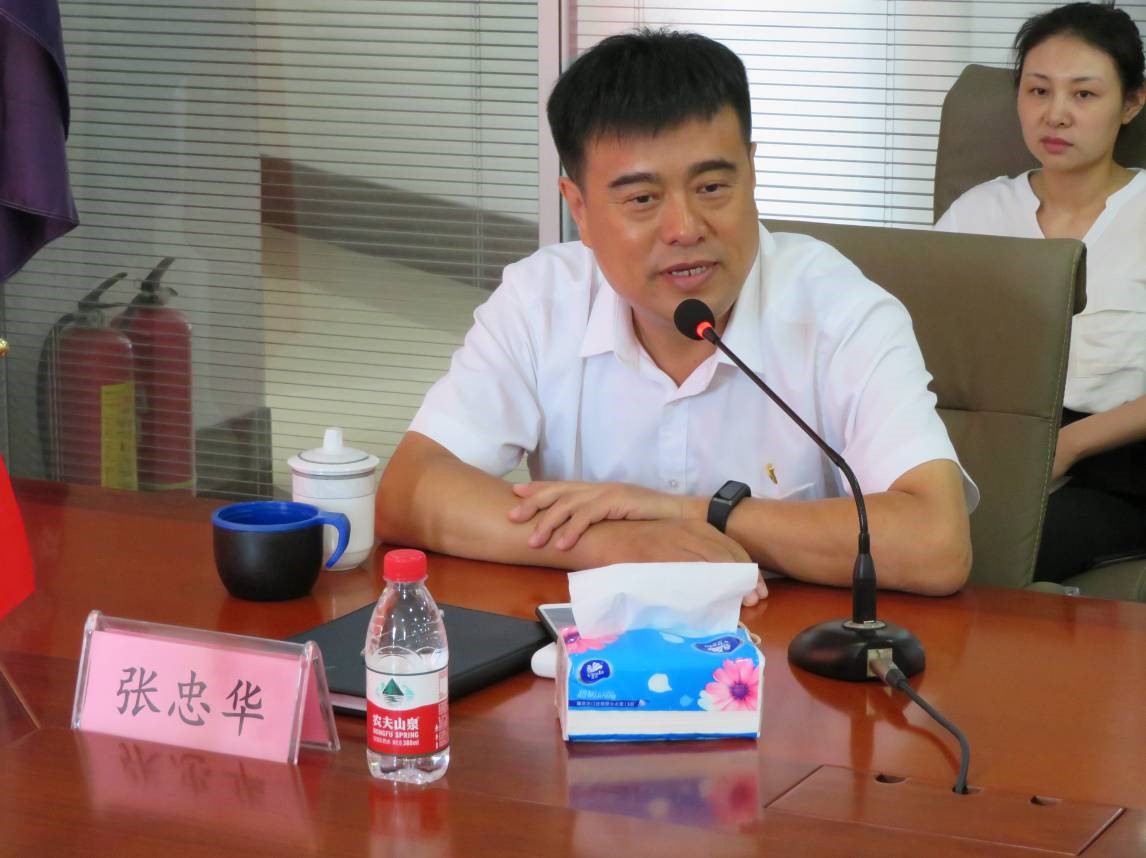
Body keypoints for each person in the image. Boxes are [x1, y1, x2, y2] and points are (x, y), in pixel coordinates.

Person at [377, 29, 977, 602]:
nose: (685, 229)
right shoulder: (541, 300)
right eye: (642, 199)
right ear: (579, 208)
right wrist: (615, 542)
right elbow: (410, 491)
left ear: (752, 173)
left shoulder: (843, 313)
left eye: (712, 188)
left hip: (788, 646)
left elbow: (936, 543)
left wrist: (693, 514)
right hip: (599, 649)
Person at [935, 2, 1146, 584]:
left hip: (1118, 461)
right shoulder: (977, 212)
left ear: (1131, 103)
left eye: (1084, 94)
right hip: (993, 445)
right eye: (1038, 91)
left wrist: (1068, 446)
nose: (1055, 115)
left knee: (989, 551)